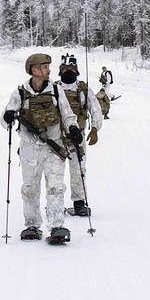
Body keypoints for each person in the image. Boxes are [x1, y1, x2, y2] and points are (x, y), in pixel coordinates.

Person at [1, 53, 81, 245]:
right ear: (34, 70)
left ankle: (56, 227)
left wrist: (73, 128)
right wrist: (9, 117)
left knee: (55, 187)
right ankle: (32, 225)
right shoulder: (20, 93)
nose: (49, 70)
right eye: (45, 67)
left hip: (54, 148)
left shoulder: (56, 90)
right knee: (29, 188)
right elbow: (5, 121)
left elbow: (67, 114)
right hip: (30, 149)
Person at [56, 54, 104, 217]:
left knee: (79, 171)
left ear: (76, 70)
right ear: (60, 70)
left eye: (71, 68)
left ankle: (79, 203)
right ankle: (55, 204)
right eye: (65, 68)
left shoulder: (83, 89)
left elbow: (95, 108)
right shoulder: (54, 88)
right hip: (56, 138)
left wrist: (95, 128)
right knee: (55, 173)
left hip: (79, 137)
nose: (68, 71)